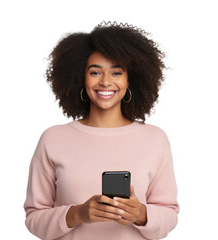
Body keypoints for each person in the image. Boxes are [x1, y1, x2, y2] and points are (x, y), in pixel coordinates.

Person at [23, 21, 179, 240]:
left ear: (129, 80)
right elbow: (34, 219)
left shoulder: (155, 139)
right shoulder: (53, 139)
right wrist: (78, 213)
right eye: (95, 72)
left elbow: (169, 213)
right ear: (80, 77)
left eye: (116, 73)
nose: (105, 82)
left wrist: (141, 214)